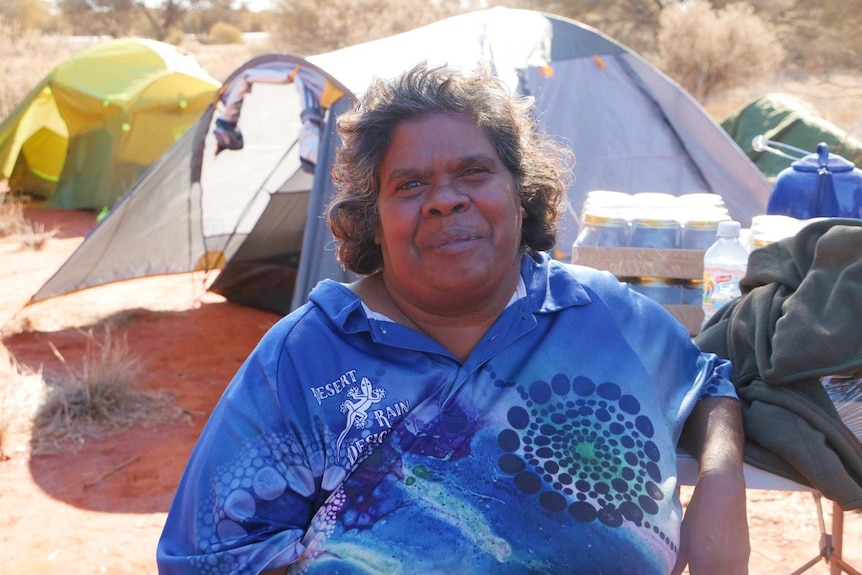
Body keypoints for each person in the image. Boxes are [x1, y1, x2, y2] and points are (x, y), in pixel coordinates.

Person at [156, 61, 749, 575]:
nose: (445, 199)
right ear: (372, 218)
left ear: (521, 191)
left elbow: (707, 385)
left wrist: (721, 480)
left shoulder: (598, 315)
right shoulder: (308, 357)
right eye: (410, 184)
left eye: (473, 172)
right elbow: (204, 558)